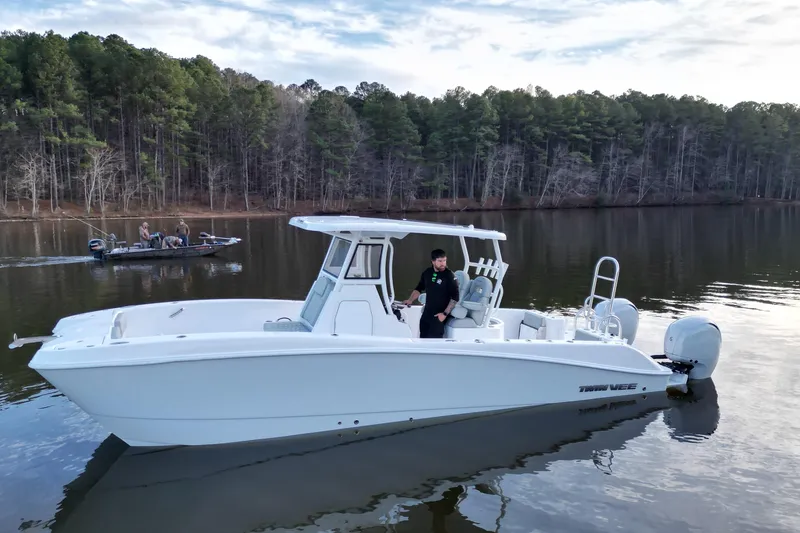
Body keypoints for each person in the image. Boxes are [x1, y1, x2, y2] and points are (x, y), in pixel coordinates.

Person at [404, 249, 460, 338]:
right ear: (433, 261)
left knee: (434, 342)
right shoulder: (427, 273)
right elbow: (419, 288)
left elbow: (455, 297)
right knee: (422, 338)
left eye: (444, 260)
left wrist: (444, 314)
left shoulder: (449, 275)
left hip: (439, 315)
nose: (443, 263)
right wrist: (410, 300)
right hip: (427, 313)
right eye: (440, 261)